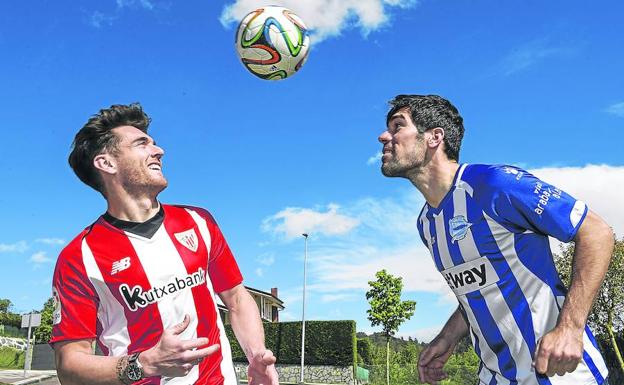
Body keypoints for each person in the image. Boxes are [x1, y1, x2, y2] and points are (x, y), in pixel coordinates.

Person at [377, 94, 614, 385]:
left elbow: (596, 232)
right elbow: (477, 289)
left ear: (434, 137)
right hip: (494, 378)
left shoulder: (494, 184)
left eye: (398, 126)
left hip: (562, 377)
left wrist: (570, 328)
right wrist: (447, 338)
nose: (384, 136)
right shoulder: (426, 223)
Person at [50, 103, 278, 385]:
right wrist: (143, 364)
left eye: (154, 144)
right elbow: (69, 365)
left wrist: (256, 355)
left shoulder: (199, 221)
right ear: (106, 163)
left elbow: (237, 298)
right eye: (142, 144)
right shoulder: (79, 256)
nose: (159, 151)